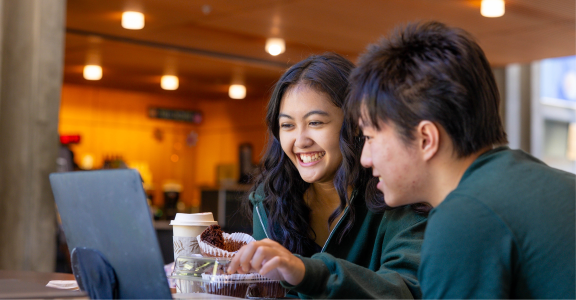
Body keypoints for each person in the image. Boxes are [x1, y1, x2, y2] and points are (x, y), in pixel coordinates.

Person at [346, 21, 576, 300]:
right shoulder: (539, 181)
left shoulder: (463, 218)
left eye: (370, 137)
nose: (365, 159)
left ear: (426, 139)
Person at [227, 53, 429, 300]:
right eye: (288, 125)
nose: (300, 141)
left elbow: (405, 291)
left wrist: (305, 272)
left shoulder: (397, 195)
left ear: (355, 124)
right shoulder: (271, 198)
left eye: (315, 123)